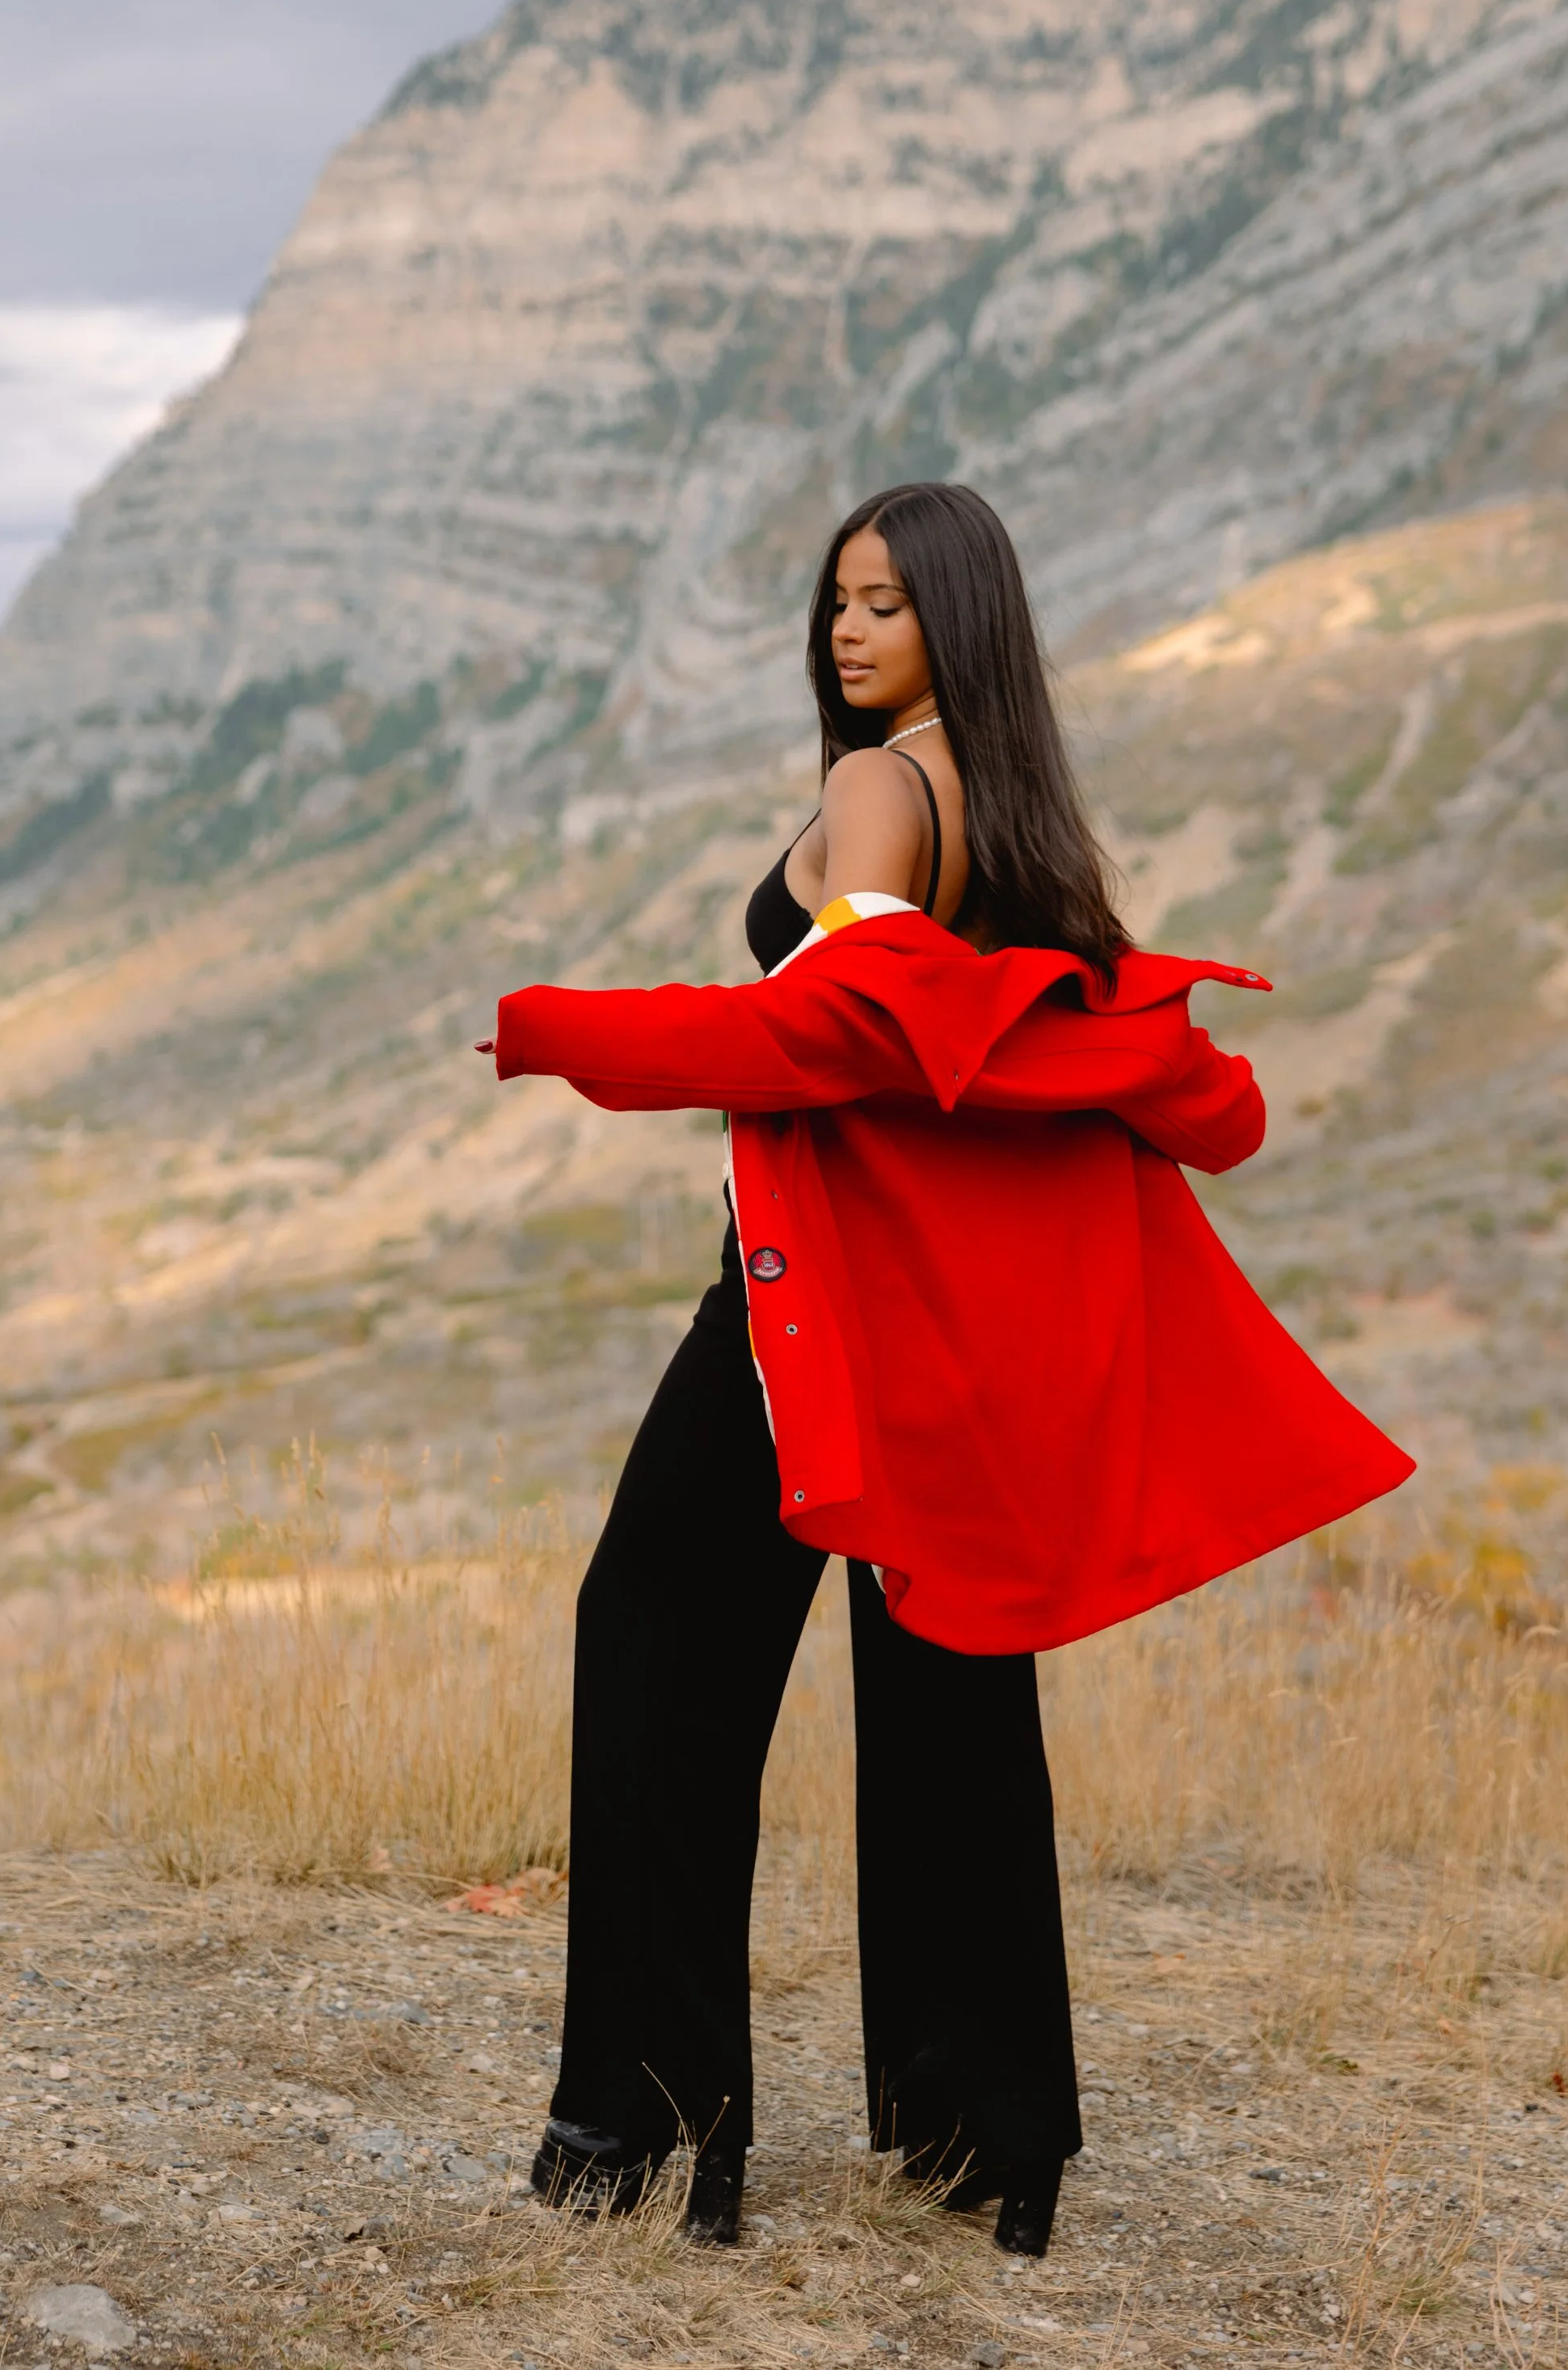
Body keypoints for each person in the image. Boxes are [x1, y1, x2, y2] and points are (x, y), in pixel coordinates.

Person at [482, 482, 1412, 2258]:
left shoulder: (877, 788)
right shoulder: (1015, 807)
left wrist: (563, 1034)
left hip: (809, 1313)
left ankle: (642, 2131)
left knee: (656, 1651)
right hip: (946, 1334)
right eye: (835, 600)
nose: (846, 631)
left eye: (885, 605)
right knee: (949, 1706)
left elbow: (836, 1030)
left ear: (952, 627)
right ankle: (976, 2140)